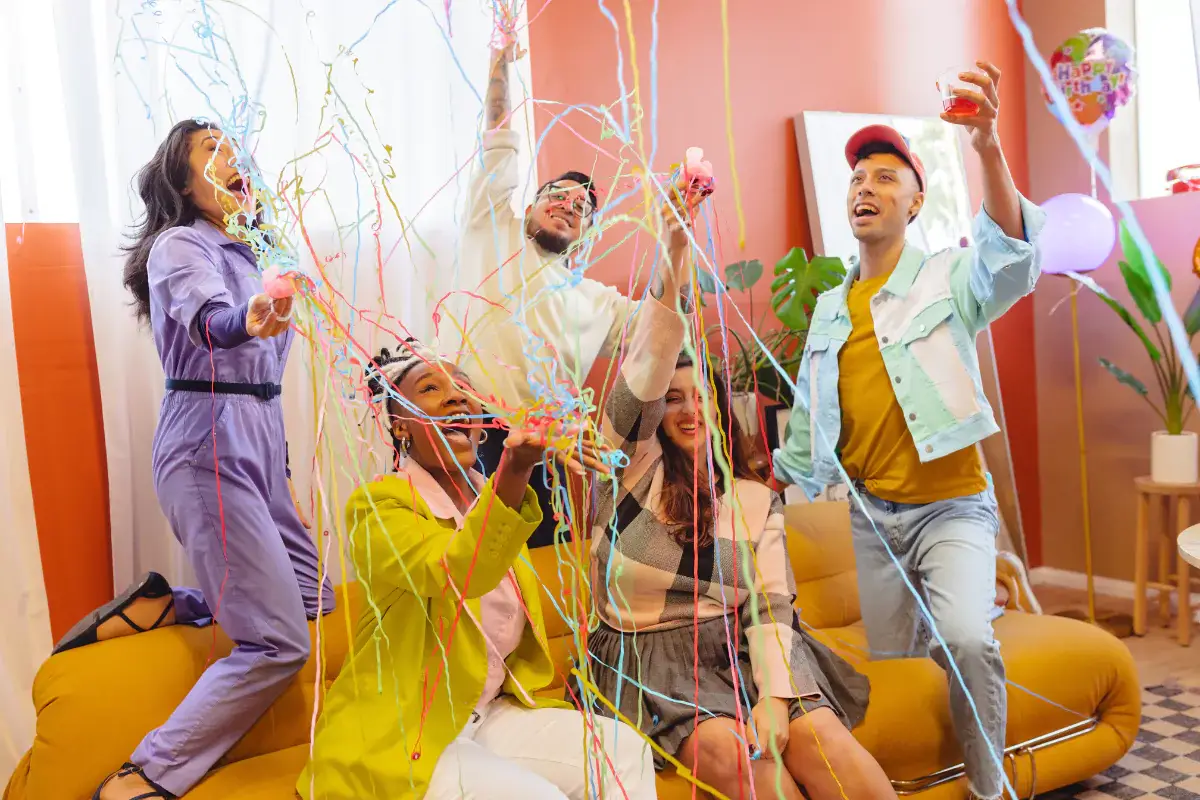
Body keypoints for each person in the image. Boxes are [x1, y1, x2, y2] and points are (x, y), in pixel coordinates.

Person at [772, 62, 1044, 800]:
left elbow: (1013, 260)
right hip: (871, 520)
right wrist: (768, 487)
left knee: (964, 637)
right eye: (859, 177)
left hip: (952, 506)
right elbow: (805, 429)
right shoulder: (829, 309)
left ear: (917, 202)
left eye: (887, 178)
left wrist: (986, 144)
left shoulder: (949, 279)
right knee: (891, 665)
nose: (867, 187)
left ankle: (991, 791)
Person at [582, 232, 895, 799]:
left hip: (746, 646)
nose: (688, 409)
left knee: (823, 741)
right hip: (652, 661)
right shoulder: (625, 470)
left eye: (700, 394)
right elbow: (643, 369)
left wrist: (774, 701)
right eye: (672, 398)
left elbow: (770, 600)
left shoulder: (752, 498)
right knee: (743, 760)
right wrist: (676, 253)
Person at [79, 118, 334, 800]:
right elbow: (212, 321)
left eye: (235, 146)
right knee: (280, 643)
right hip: (205, 443)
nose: (231, 157)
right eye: (211, 149)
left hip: (258, 437)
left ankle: (174, 602)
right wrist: (247, 317)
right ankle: (148, 772)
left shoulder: (256, 253)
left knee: (318, 597)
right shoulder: (179, 245)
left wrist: (275, 467)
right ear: (183, 183)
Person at [298, 340, 657, 799]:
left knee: (624, 750)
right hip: (406, 729)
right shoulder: (377, 505)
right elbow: (458, 572)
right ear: (400, 424)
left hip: (488, 714)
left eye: (465, 390)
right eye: (431, 388)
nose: (456, 398)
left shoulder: (488, 500)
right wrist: (516, 466)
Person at [452, 40, 691, 547]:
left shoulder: (595, 300)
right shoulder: (491, 231)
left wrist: (677, 235)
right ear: (528, 207)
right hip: (467, 435)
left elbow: (659, 323)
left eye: (581, 207)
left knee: (542, 576)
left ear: (585, 234)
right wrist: (499, 61)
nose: (567, 204)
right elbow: (498, 139)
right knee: (472, 573)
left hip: (547, 454)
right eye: (556, 195)